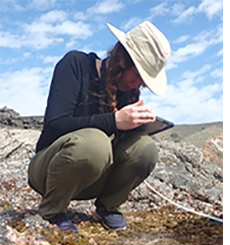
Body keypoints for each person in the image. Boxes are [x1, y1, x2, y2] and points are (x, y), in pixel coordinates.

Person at [27, 22, 171, 233]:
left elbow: (122, 148)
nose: (138, 84)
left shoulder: (125, 92)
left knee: (146, 148)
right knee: (95, 142)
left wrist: (135, 127)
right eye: (138, 75)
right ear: (122, 60)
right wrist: (114, 121)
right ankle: (53, 210)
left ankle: (109, 207)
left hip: (92, 175)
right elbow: (54, 126)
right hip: (49, 172)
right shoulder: (76, 64)